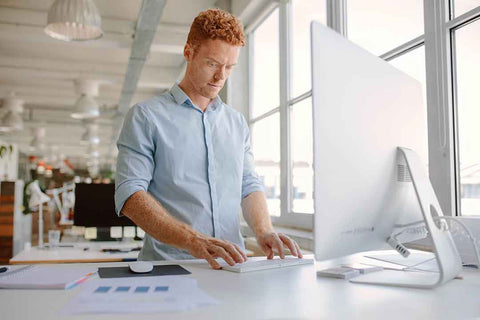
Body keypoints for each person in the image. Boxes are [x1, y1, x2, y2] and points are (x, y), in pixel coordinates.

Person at [115, 8, 303, 270]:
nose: (220, 77)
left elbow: (248, 184)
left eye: (229, 67)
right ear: (188, 52)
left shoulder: (236, 123)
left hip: (232, 267)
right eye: (212, 64)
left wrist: (264, 231)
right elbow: (130, 195)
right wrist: (193, 240)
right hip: (168, 267)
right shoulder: (146, 117)